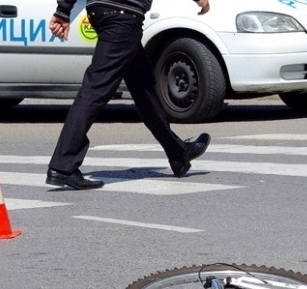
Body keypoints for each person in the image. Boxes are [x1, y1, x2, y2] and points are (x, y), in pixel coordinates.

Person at [46, 0, 211, 190]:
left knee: (143, 87)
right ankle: (63, 166)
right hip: (123, 14)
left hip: (102, 12)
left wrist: (63, 10)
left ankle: (178, 153)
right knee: (95, 89)